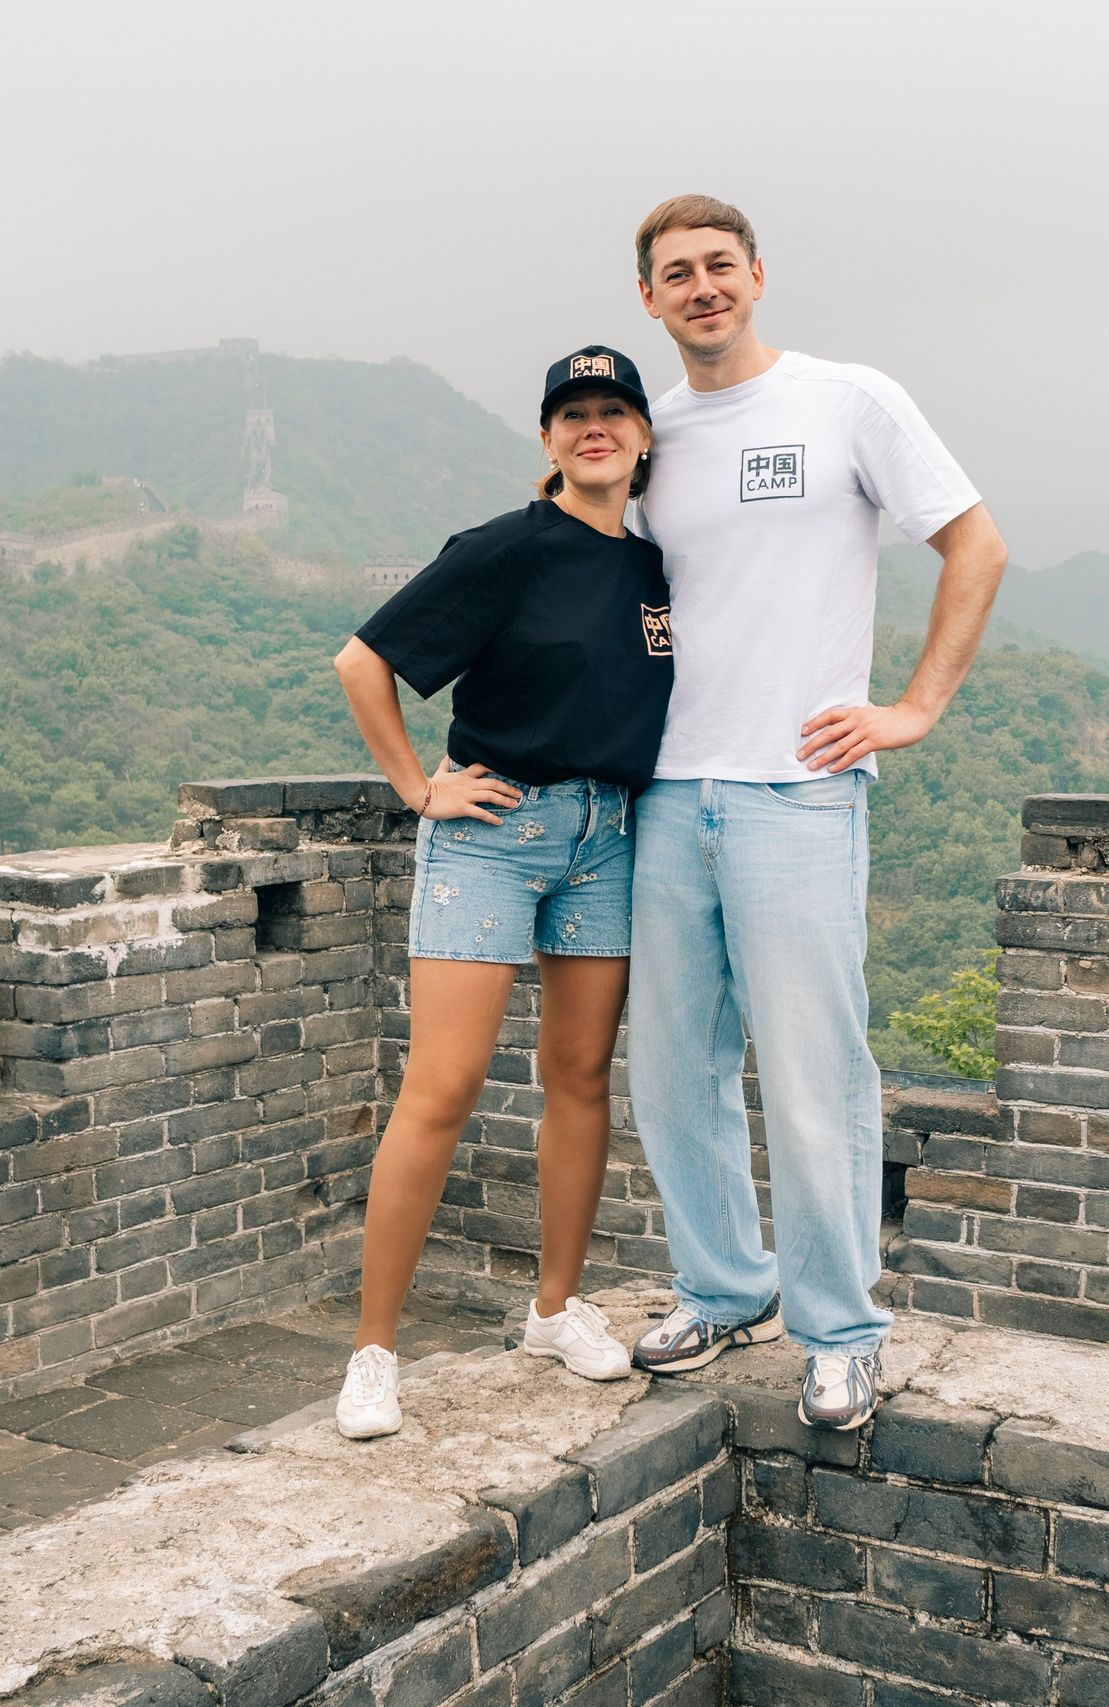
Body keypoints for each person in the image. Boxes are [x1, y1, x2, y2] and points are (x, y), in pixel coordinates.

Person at [622, 195, 1008, 1430]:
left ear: (757, 277)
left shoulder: (849, 400)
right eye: (675, 274)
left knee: (811, 1070)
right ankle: (724, 1286)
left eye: (718, 267)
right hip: (669, 792)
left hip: (797, 790)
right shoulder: (652, 436)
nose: (700, 288)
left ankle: (840, 1329)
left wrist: (913, 707)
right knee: (675, 1070)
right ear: (648, 299)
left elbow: (977, 545)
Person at [327, 345, 674, 1440]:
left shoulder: (658, 567)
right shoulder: (509, 548)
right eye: (574, 414)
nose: (595, 428)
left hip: (608, 838)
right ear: (547, 439)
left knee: (579, 1077)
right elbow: (361, 660)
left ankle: (556, 1310)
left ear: (644, 437)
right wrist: (415, 787)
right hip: (493, 833)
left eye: (614, 411)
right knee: (443, 1084)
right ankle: (373, 1352)